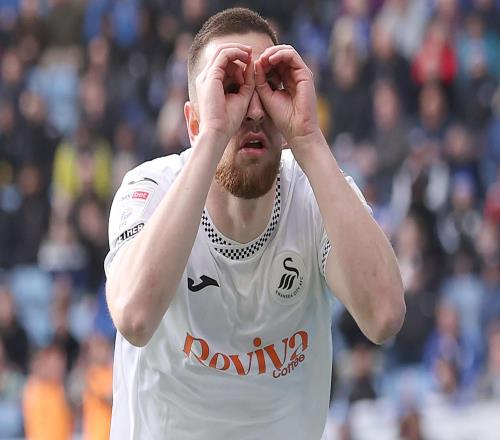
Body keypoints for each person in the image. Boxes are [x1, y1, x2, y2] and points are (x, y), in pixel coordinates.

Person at [104, 7, 405, 439]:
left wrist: (307, 137)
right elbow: (134, 317)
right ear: (192, 121)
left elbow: (385, 316)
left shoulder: (315, 193)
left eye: (269, 85)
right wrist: (214, 135)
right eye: (229, 87)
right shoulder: (150, 190)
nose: (253, 110)